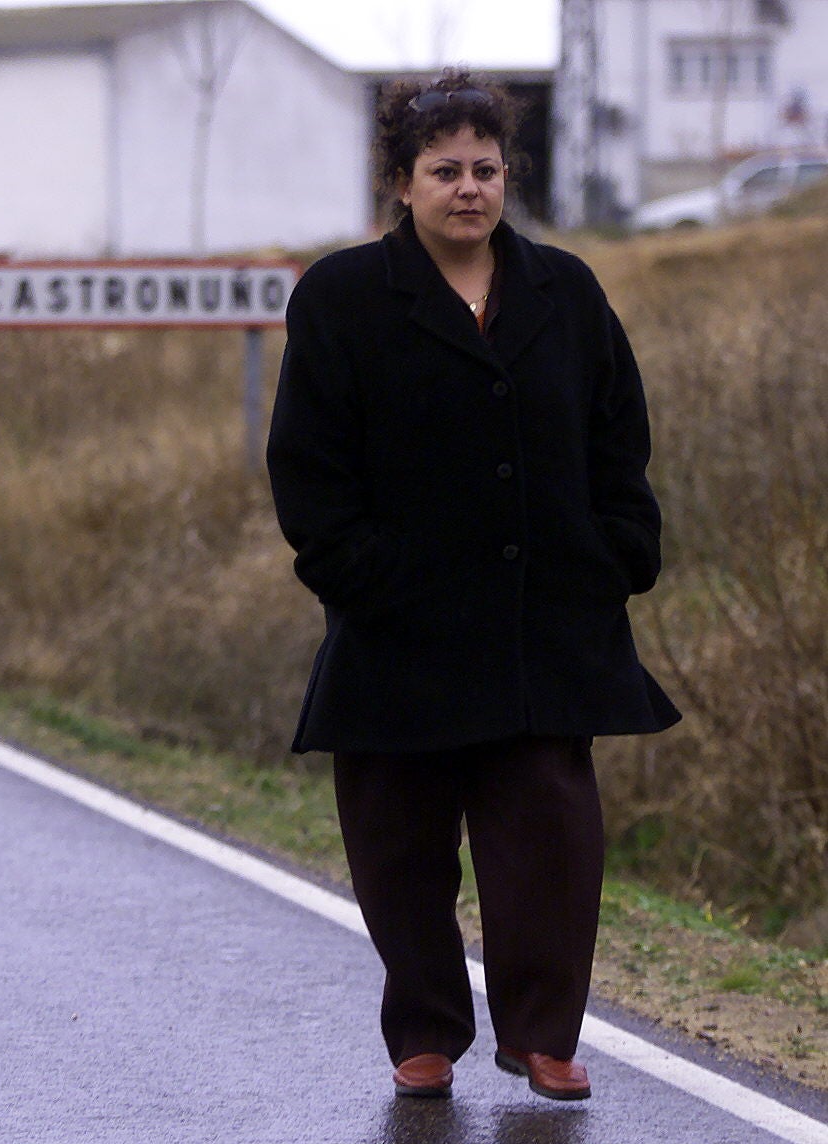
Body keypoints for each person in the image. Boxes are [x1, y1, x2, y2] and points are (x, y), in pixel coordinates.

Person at [266, 71, 680, 1102]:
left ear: (507, 177)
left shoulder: (564, 292)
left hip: (543, 623)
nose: (467, 188)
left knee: (549, 838)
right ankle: (426, 1031)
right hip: (395, 626)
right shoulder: (344, 296)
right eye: (442, 170)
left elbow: (615, 434)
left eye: (484, 169)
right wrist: (358, 574)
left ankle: (542, 1034)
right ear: (401, 183)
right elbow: (308, 465)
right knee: (398, 846)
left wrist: (620, 548)